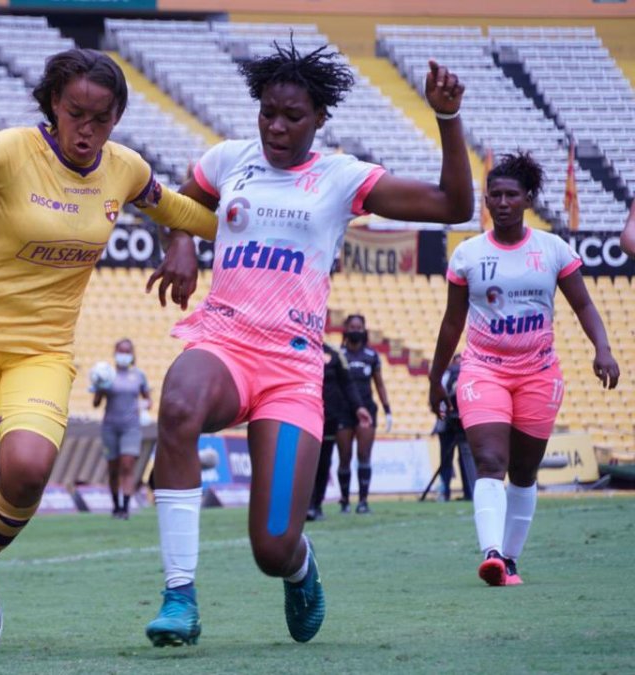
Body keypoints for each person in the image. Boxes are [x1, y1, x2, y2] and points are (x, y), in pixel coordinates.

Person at [142, 42, 472, 647]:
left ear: (319, 119)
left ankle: (299, 567)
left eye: (291, 116)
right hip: (225, 342)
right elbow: (180, 202)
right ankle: (179, 596)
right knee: (179, 402)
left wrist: (447, 119)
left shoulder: (341, 177)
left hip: (291, 369)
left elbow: (454, 206)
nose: (275, 125)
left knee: (271, 546)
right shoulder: (228, 161)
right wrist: (182, 241)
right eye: (267, 112)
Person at [0, 47, 217, 655]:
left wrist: (207, 236)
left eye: (102, 117)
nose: (87, 130)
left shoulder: (124, 169)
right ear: (52, 107)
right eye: (75, 113)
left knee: (28, 471)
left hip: (42, 350)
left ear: (117, 117)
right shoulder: (13, 149)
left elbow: (183, 210)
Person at [427, 152, 619, 587]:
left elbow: (584, 305)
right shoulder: (468, 255)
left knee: (524, 472)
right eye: (494, 194)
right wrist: (436, 377)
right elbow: (452, 321)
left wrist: (602, 349)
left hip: (538, 372)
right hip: (483, 370)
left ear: (528, 198)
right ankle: (492, 554)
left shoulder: (553, 250)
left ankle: (510, 560)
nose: (502, 202)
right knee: (490, 459)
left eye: (511, 194)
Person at [335, 314, 392, 514]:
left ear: (364, 329)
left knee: (363, 454)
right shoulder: (338, 354)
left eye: (359, 326)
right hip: (343, 411)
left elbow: (379, 383)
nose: (356, 330)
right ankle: (344, 501)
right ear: (346, 329)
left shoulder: (371, 355)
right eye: (352, 326)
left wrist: (387, 409)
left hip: (367, 410)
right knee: (344, 456)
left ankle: (363, 501)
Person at [308, 343, 371, 521]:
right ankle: (304, 504)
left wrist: (358, 407)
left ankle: (316, 505)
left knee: (323, 462)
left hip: (329, 417)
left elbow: (347, 383)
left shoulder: (334, 354)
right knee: (304, 460)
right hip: (303, 414)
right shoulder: (296, 347)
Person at [91, 338, 152, 520]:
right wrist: (100, 388)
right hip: (110, 427)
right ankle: (115, 505)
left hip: (131, 428)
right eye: (120, 351)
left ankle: (125, 507)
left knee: (127, 465)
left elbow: (148, 400)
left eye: (126, 351)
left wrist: (143, 405)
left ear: (132, 354)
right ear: (115, 353)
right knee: (113, 468)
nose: (123, 354)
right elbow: (96, 403)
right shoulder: (107, 374)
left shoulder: (139, 376)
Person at [435, 354, 476, 501]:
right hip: (454, 422)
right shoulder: (467, 375)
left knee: (457, 458)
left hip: (452, 421)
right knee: (456, 458)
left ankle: (449, 493)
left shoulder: (447, 374)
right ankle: (463, 492)